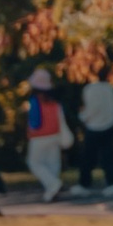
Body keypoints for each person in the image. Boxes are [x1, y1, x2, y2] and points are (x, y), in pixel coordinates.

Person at [24, 72, 68, 202]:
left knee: (34, 163)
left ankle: (53, 184)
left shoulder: (34, 101)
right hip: (55, 136)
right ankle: (52, 190)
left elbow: (34, 122)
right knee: (52, 164)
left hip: (39, 137)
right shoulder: (54, 103)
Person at [74, 76, 113, 195]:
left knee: (88, 157)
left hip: (93, 127)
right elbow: (112, 108)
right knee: (109, 156)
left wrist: (83, 117)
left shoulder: (89, 89)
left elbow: (92, 109)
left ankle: (84, 184)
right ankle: (112, 183)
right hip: (109, 125)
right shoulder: (108, 88)